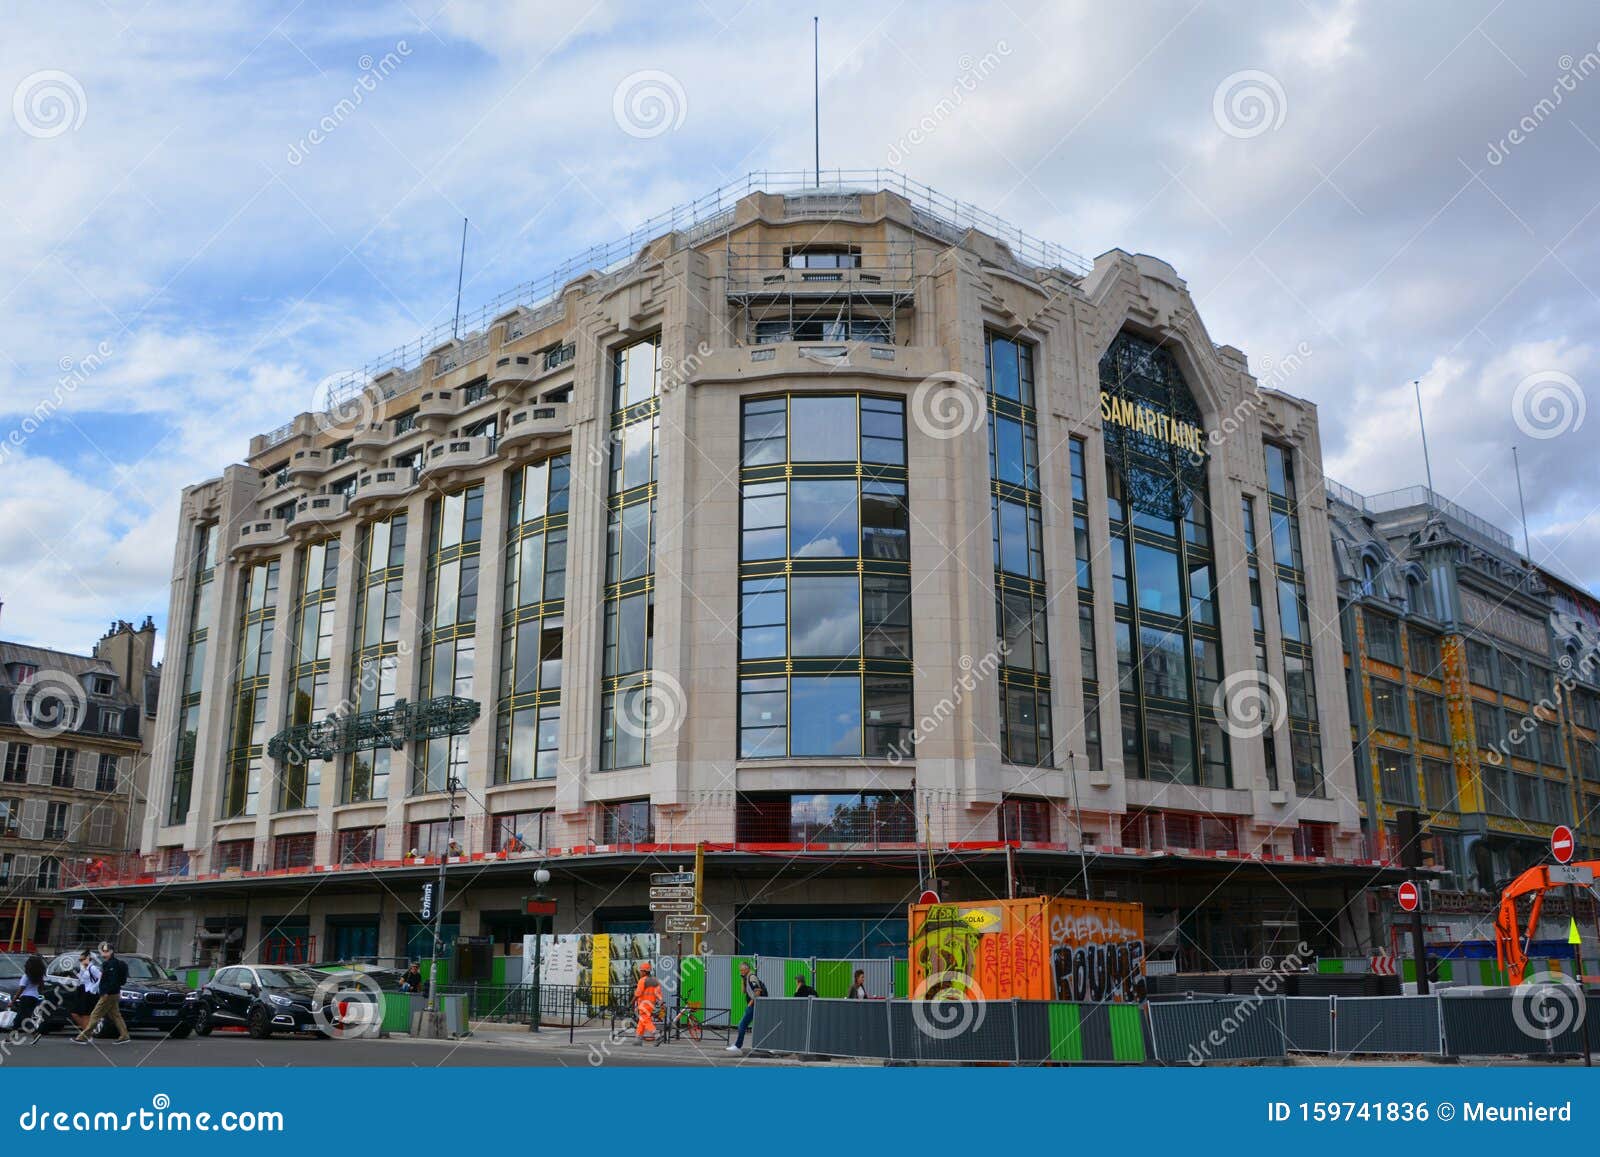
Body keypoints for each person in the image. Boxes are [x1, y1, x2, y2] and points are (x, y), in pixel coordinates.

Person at [72, 941, 130, 1044]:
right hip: (113, 993)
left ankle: (83, 1037)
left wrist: (105, 992)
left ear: (111, 952)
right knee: (116, 1015)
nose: (103, 953)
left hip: (109, 994)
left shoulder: (111, 964)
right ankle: (124, 1035)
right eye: (102, 951)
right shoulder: (111, 963)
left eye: (106, 951)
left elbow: (111, 980)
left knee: (95, 1014)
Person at [727, 960, 766, 1053]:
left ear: (747, 969)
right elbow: (743, 991)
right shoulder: (746, 978)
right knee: (758, 1026)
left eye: (742, 970)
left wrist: (751, 1003)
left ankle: (738, 1046)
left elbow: (757, 992)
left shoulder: (752, 977)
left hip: (754, 1005)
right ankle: (763, 1046)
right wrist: (742, 979)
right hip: (755, 1005)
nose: (741, 972)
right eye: (740, 971)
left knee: (742, 1024)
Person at [11, 955, 47, 1043]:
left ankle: (35, 1033)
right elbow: (41, 989)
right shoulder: (39, 977)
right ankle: (11, 1037)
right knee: (18, 1018)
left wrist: (13, 1001)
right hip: (34, 998)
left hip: (25, 998)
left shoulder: (26, 976)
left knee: (24, 1018)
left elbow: (21, 989)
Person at [70, 948, 101, 1032]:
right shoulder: (83, 968)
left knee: (85, 1015)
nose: (80, 961)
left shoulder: (93, 968)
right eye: (80, 960)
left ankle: (86, 1034)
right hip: (82, 991)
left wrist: (94, 988)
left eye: (82, 959)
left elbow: (101, 978)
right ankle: (86, 1033)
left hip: (90, 993)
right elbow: (81, 980)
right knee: (75, 1013)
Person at [632, 961, 662, 1044]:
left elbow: (637, 994)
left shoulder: (642, 980)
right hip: (651, 1004)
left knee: (645, 1020)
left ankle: (656, 1035)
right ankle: (638, 1040)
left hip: (643, 1005)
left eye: (641, 971)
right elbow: (658, 994)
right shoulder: (655, 981)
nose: (640, 973)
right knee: (641, 1021)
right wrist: (660, 1002)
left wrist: (631, 1003)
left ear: (645, 971)